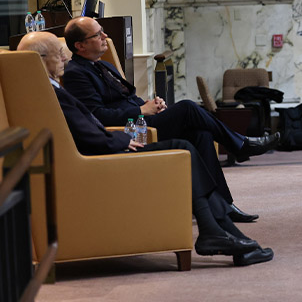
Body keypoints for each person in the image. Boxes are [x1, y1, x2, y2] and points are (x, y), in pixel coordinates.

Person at [18, 31, 273, 267]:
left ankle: (219, 230)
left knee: (197, 137)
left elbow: (90, 122)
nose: (64, 57)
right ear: (37, 59)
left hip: (109, 147)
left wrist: (147, 106)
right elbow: (87, 130)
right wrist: (120, 139)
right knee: (186, 131)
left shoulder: (52, 87)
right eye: (58, 52)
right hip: (105, 156)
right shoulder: (51, 92)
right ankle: (220, 227)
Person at [61, 16, 270, 222]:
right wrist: (142, 110)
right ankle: (240, 145)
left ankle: (223, 205)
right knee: (188, 107)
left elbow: (129, 98)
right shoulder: (76, 73)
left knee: (201, 133)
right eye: (98, 34)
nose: (105, 35)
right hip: (129, 132)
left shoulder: (104, 65)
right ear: (80, 45)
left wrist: (153, 104)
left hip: (139, 120)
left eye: (103, 31)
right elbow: (97, 117)